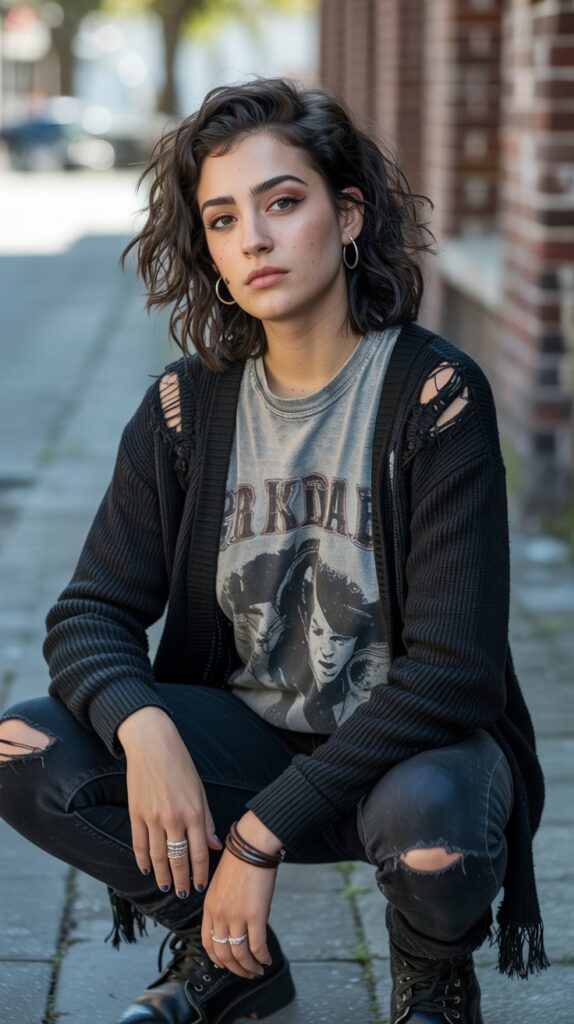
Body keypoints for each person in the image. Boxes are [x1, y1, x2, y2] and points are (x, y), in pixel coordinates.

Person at [0, 77, 548, 1024]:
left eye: (281, 202)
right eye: (221, 218)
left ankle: (431, 975)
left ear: (346, 217)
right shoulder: (185, 409)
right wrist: (147, 729)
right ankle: (228, 956)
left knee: (436, 841)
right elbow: (89, 611)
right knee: (19, 747)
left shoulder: (436, 397)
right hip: (248, 737)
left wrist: (255, 840)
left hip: (405, 760)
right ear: (207, 248)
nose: (251, 237)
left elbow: (457, 675)